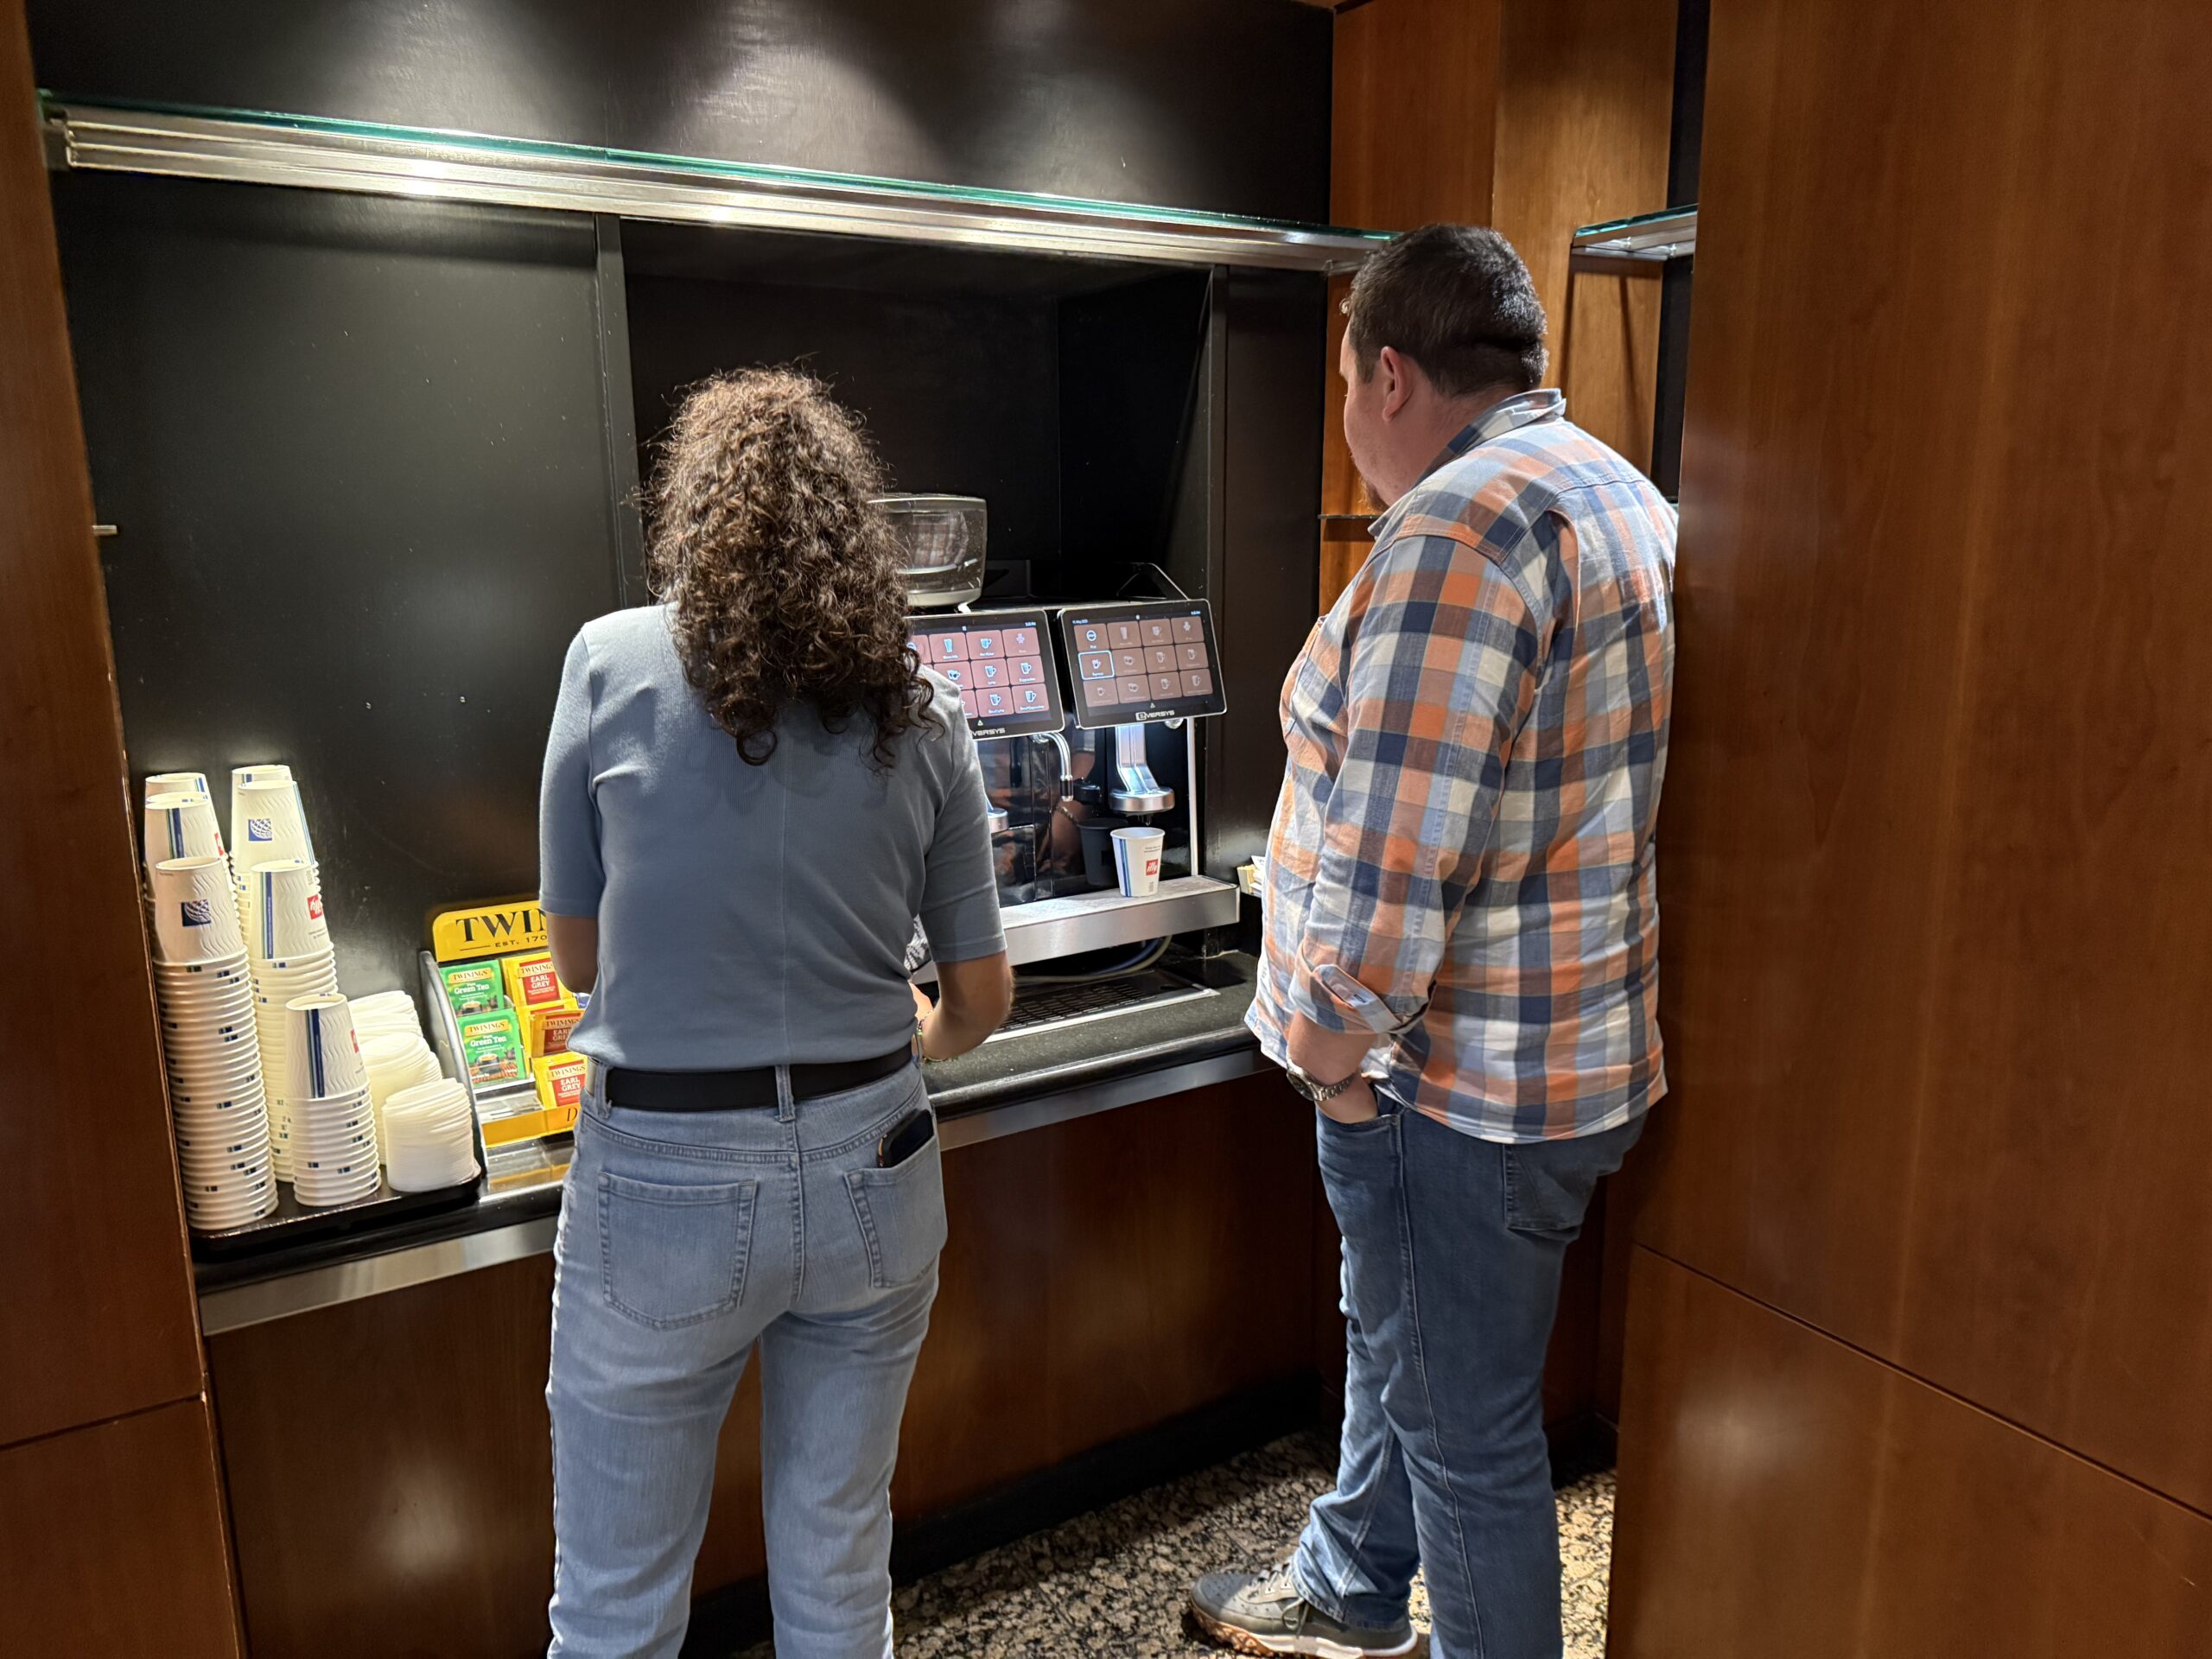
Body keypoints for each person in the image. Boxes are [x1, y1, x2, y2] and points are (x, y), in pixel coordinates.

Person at [1190, 224, 1677, 1659]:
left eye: (1346, 385)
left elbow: (1399, 854)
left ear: (1391, 375)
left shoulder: (1461, 528)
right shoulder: (1620, 494)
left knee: (1467, 1441)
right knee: (1411, 1372)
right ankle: (1348, 1586)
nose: (1347, 424)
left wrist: (1335, 1063)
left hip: (1451, 1092)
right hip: (1571, 1063)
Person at [537, 367, 1012, 1658]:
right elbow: (979, 999)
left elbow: (576, 964)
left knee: (619, 1603)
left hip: (665, 1183)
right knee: (839, 1562)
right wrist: (904, 1040)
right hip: (879, 1164)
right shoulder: (921, 707)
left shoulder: (608, 663)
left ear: (692, 518)